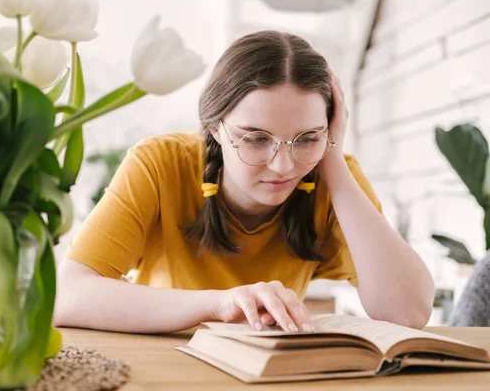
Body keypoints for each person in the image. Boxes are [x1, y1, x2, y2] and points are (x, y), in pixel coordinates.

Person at [53, 30, 435, 334]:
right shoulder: (159, 163)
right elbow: (68, 295)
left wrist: (331, 158)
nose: (283, 165)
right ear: (215, 127)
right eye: (255, 139)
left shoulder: (331, 172)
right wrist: (221, 304)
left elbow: (408, 313)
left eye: (307, 137)